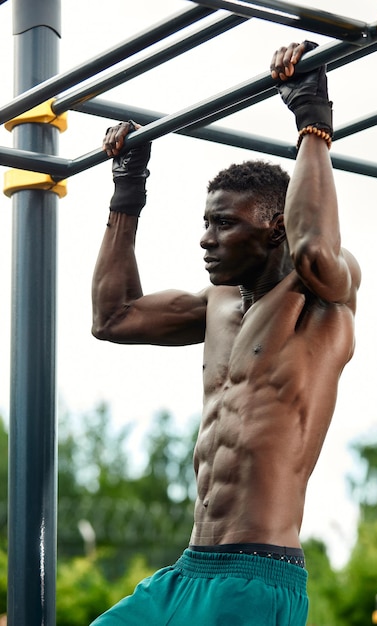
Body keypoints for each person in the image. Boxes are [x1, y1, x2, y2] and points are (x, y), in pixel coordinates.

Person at [90, 41, 360, 626]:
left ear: (273, 230)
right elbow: (112, 318)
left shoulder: (321, 298)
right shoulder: (215, 305)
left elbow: (313, 247)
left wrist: (312, 122)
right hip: (188, 568)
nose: (205, 239)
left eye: (224, 223)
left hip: (257, 576)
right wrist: (127, 188)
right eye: (205, 223)